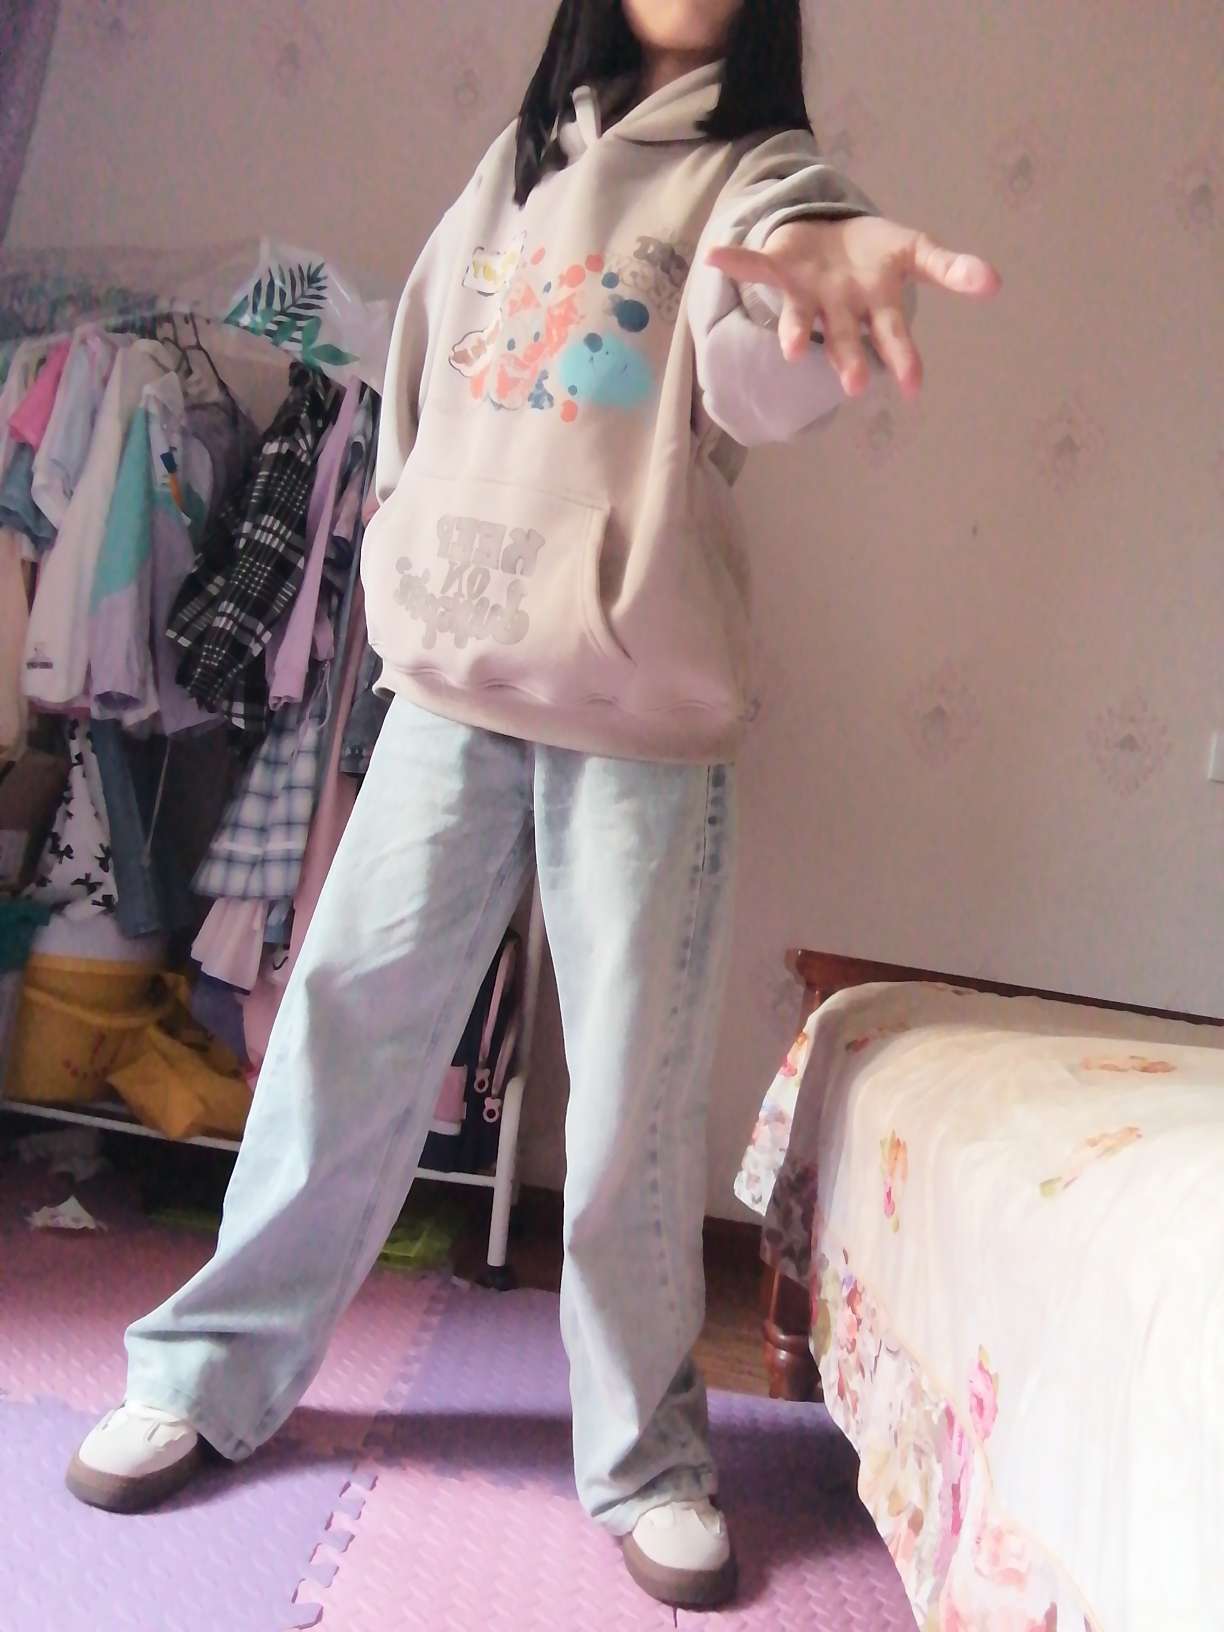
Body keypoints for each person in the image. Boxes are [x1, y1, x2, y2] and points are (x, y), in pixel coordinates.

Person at [66, 0, 1000, 1609]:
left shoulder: (762, 170)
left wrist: (815, 298)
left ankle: (645, 1454)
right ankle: (208, 1374)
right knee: (339, 1035)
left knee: (630, 1102)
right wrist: (408, 557)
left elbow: (755, 372)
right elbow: (422, 376)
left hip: (638, 716)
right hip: (452, 688)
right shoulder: (516, 160)